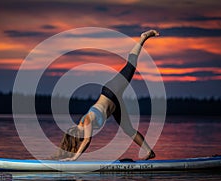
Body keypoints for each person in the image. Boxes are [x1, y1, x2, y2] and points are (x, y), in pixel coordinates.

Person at [54, 30, 159, 161]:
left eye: (78, 141)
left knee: (131, 65)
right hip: (115, 104)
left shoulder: (85, 122)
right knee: (128, 129)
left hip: (111, 91)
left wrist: (74, 159)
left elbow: (86, 142)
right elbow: (85, 141)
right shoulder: (84, 127)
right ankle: (149, 152)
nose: (80, 142)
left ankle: (143, 38)